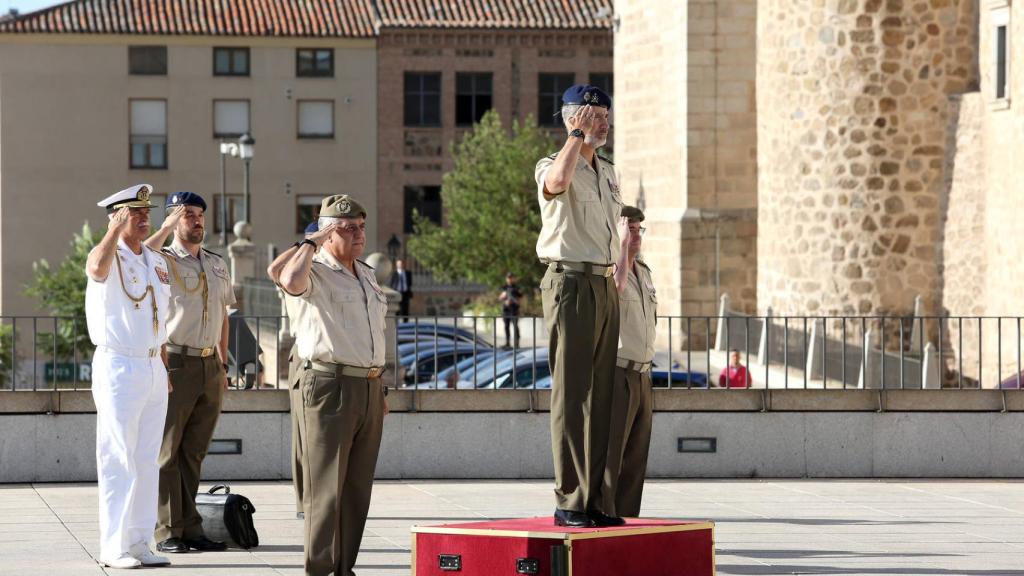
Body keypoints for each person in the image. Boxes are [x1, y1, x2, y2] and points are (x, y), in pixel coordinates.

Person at [277, 195, 390, 576]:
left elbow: (372, 334)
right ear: (327, 233)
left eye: (360, 226)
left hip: (369, 387)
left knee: (357, 489)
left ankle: (344, 568)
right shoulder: (315, 269)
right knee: (325, 489)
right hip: (329, 385)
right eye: (347, 228)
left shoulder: (367, 273)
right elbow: (288, 280)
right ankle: (320, 570)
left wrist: (381, 387)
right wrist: (310, 243)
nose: (358, 234)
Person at [535, 84, 623, 528]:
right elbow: (557, 184)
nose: (601, 123)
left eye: (605, 116)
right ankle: (569, 499)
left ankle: (596, 499)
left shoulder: (608, 172)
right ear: (572, 118)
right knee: (571, 394)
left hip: (604, 285)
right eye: (592, 116)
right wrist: (575, 137)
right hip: (569, 281)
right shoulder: (552, 163)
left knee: (602, 396)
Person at [85, 184, 172, 569]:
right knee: (119, 457)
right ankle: (113, 546)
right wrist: (111, 231)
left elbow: (160, 317)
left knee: (147, 458)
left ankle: (139, 542)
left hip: (153, 365)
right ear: (117, 217)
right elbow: (95, 268)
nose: (142, 217)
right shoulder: (108, 255)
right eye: (133, 213)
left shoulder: (154, 259)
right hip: (119, 364)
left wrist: (164, 365)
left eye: (144, 211)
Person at [143, 192, 235, 554]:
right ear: (173, 221)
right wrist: (163, 227)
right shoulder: (160, 259)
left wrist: (223, 364)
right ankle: (167, 531)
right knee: (167, 452)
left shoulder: (216, 263)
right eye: (187, 215)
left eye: (199, 215)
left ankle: (191, 527)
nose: (196, 221)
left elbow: (225, 316)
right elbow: (134, 256)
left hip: (210, 365)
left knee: (194, 452)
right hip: (175, 363)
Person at [604, 206, 656, 519]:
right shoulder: (613, 267)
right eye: (630, 229)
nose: (636, 236)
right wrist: (621, 247)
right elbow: (617, 289)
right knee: (613, 455)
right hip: (619, 372)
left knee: (636, 457)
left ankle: (628, 522)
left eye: (639, 230)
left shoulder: (645, 271)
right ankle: (606, 519)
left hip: (643, 374)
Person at [266, 220, 319, 519]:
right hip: (305, 353)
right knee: (304, 436)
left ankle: (320, 499)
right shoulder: (299, 270)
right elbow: (274, 271)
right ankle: (305, 502)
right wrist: (306, 245)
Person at [499, 272, 523, 349]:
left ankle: (517, 344)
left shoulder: (517, 288)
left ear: (513, 278)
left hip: (514, 310)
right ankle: (507, 343)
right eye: (508, 278)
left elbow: (520, 298)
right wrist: (504, 299)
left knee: (515, 326)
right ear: (506, 279)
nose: (509, 279)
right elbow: (500, 298)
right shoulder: (504, 287)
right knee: (506, 326)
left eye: (511, 277)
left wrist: (514, 301)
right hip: (506, 310)